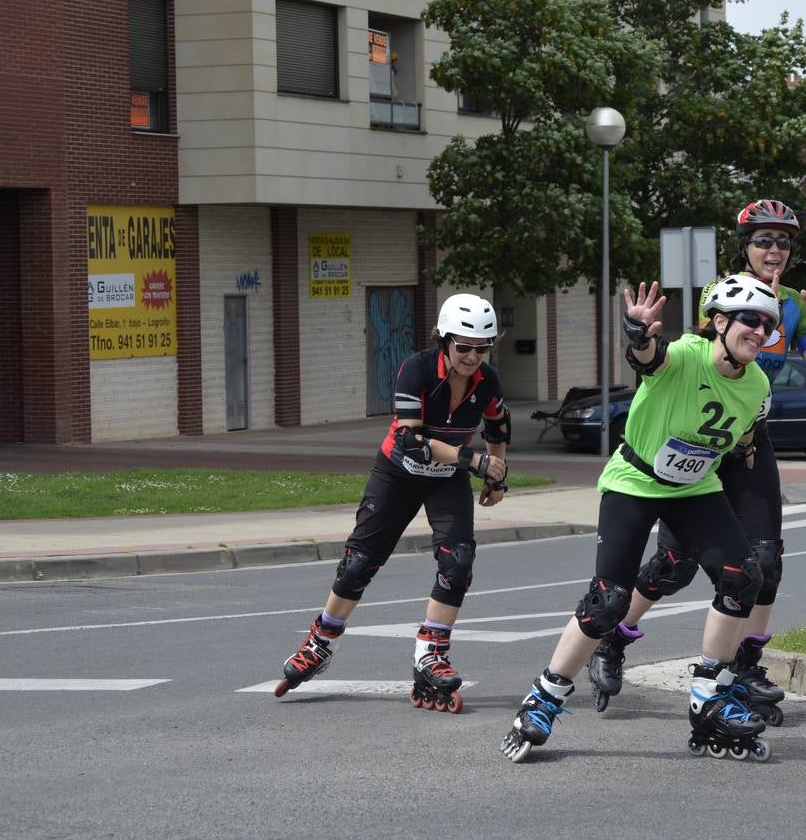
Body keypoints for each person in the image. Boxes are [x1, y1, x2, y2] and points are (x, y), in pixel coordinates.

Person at [587, 198, 806, 724]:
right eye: (763, 241)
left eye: (783, 242)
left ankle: (745, 667)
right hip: (702, 441)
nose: (774, 250)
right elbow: (689, 359)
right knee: (674, 565)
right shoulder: (721, 294)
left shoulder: (794, 304)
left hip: (749, 442)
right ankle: (612, 639)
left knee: (765, 562)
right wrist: (641, 344)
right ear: (745, 247)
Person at [500, 275, 777, 763]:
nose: (759, 331)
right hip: (635, 480)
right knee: (608, 601)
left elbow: (744, 430)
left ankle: (710, 694)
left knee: (742, 575)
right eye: (749, 320)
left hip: (694, 486)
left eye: (768, 326)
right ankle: (544, 697)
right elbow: (650, 358)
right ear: (718, 322)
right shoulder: (688, 354)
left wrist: (748, 448)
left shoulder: (757, 383)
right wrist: (638, 334)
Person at [274, 293, 511, 713]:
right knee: (358, 563)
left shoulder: (486, 380)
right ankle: (320, 642)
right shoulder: (417, 369)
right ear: (444, 339)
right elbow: (410, 440)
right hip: (398, 474)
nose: (473, 357)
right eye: (464, 347)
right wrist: (473, 460)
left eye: (483, 348)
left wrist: (498, 473)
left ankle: (430, 653)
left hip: (446, 479)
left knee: (458, 561)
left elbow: (498, 423)